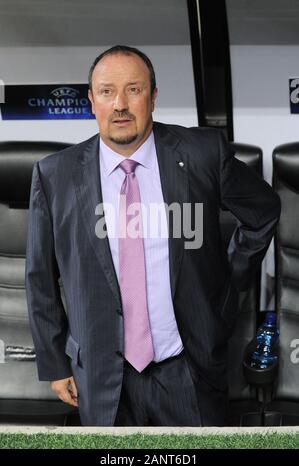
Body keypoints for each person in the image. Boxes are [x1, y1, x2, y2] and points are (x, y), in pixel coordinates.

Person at [25, 45, 281, 426]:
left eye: (134, 89)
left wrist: (229, 280)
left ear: (154, 96)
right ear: (92, 101)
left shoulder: (201, 152)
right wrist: (55, 362)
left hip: (188, 366)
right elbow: (41, 279)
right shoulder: (55, 176)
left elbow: (262, 211)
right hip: (99, 373)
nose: (120, 105)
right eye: (108, 92)